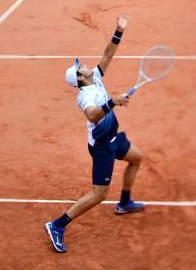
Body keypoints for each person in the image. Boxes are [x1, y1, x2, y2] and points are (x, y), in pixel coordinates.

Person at [45, 15, 145, 254]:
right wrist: (113, 102)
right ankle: (57, 225)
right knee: (99, 194)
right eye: (81, 67)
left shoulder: (96, 77)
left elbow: (108, 54)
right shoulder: (85, 96)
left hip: (113, 138)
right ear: (80, 77)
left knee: (136, 158)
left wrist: (118, 31)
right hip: (102, 146)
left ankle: (124, 203)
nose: (85, 65)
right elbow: (92, 115)